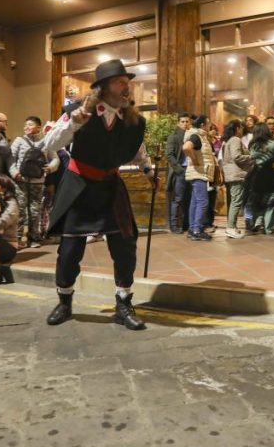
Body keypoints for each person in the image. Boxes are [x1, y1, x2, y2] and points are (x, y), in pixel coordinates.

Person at [43, 59, 156, 330]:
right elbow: (48, 145)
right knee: (70, 251)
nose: (126, 87)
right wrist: (74, 123)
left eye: (127, 82)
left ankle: (123, 303)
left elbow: (137, 148)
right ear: (104, 87)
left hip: (110, 187)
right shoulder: (77, 112)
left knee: (124, 248)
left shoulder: (134, 120)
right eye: (120, 82)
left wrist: (148, 170)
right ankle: (64, 302)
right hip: (78, 186)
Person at [10, 115, 60, 248]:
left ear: (38, 127)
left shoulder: (47, 142)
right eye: (25, 124)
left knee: (35, 210)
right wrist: (15, 173)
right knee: (20, 210)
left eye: (30, 124)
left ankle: (34, 238)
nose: (26, 127)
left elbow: (55, 158)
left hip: (38, 182)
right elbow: (10, 159)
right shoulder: (19, 141)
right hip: (21, 181)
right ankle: (19, 238)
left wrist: (50, 168)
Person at [220, 118, 254, 239]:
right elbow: (237, 156)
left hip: (233, 175)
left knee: (235, 201)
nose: (243, 129)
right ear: (237, 129)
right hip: (237, 175)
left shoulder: (228, 140)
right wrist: (251, 157)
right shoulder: (235, 139)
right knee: (236, 202)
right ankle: (230, 228)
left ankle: (232, 227)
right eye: (241, 127)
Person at [183, 115, 213, 241]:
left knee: (195, 202)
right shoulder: (196, 136)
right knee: (203, 202)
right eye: (208, 124)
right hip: (199, 173)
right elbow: (186, 147)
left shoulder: (199, 135)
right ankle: (197, 230)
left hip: (198, 173)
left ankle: (192, 228)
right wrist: (194, 160)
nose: (209, 126)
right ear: (202, 125)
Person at [247, 123, 274, 234]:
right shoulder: (273, 144)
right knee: (271, 201)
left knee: (258, 200)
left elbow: (251, 158)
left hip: (256, 175)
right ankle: (268, 228)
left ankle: (257, 221)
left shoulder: (253, 145)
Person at [164, 113, 191, 234]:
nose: (185, 124)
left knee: (188, 198)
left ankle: (186, 224)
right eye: (183, 121)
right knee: (178, 199)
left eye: (187, 121)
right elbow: (169, 155)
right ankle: (174, 225)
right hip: (180, 171)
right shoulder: (174, 136)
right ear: (178, 123)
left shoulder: (191, 135)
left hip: (191, 170)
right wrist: (179, 170)